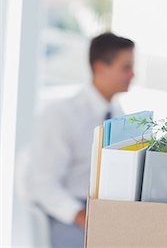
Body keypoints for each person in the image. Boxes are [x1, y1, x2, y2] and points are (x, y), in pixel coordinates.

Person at [27, 32, 135, 247]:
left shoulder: (119, 113)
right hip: (69, 215)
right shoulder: (61, 115)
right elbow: (43, 183)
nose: (133, 75)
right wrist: (81, 215)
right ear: (99, 68)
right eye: (126, 67)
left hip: (104, 212)